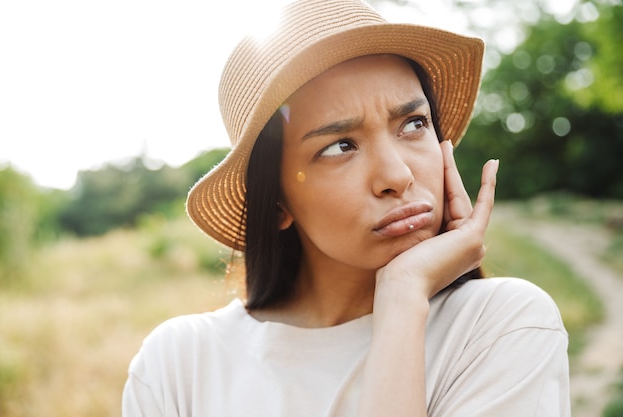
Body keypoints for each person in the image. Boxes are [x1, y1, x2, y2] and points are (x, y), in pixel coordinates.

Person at [122, 0, 570, 416]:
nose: (396, 176)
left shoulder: (500, 326)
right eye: (340, 146)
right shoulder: (178, 366)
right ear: (277, 202)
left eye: (414, 124)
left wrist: (402, 297)